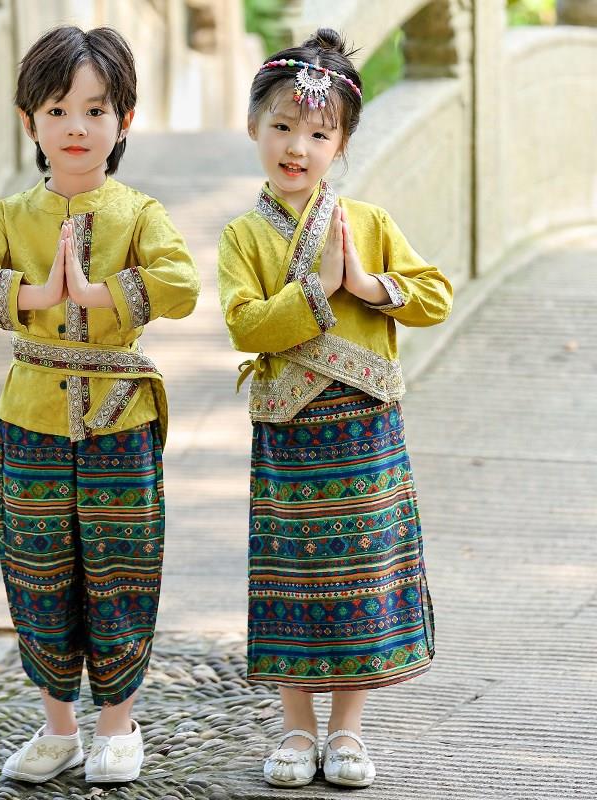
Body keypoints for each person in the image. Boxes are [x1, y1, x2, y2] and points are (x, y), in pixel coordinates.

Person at [0, 25, 199, 785]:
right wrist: (33, 295)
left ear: (125, 119)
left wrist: (102, 295)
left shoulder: (139, 211)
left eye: (96, 109)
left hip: (120, 417)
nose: (77, 127)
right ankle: (58, 728)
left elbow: (182, 284)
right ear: (29, 122)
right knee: (37, 568)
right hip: (29, 418)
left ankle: (119, 726)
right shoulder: (9, 217)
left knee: (121, 566)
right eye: (57, 110)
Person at [217, 28, 452, 789]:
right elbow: (245, 323)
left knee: (361, 575)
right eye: (282, 126)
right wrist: (319, 289)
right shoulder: (243, 235)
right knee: (293, 576)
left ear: (341, 142)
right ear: (253, 126)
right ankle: (293, 726)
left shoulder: (371, 223)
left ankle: (346, 732)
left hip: (364, 425)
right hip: (291, 430)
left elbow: (433, 295)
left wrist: (366, 282)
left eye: (318, 133)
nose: (297, 146)